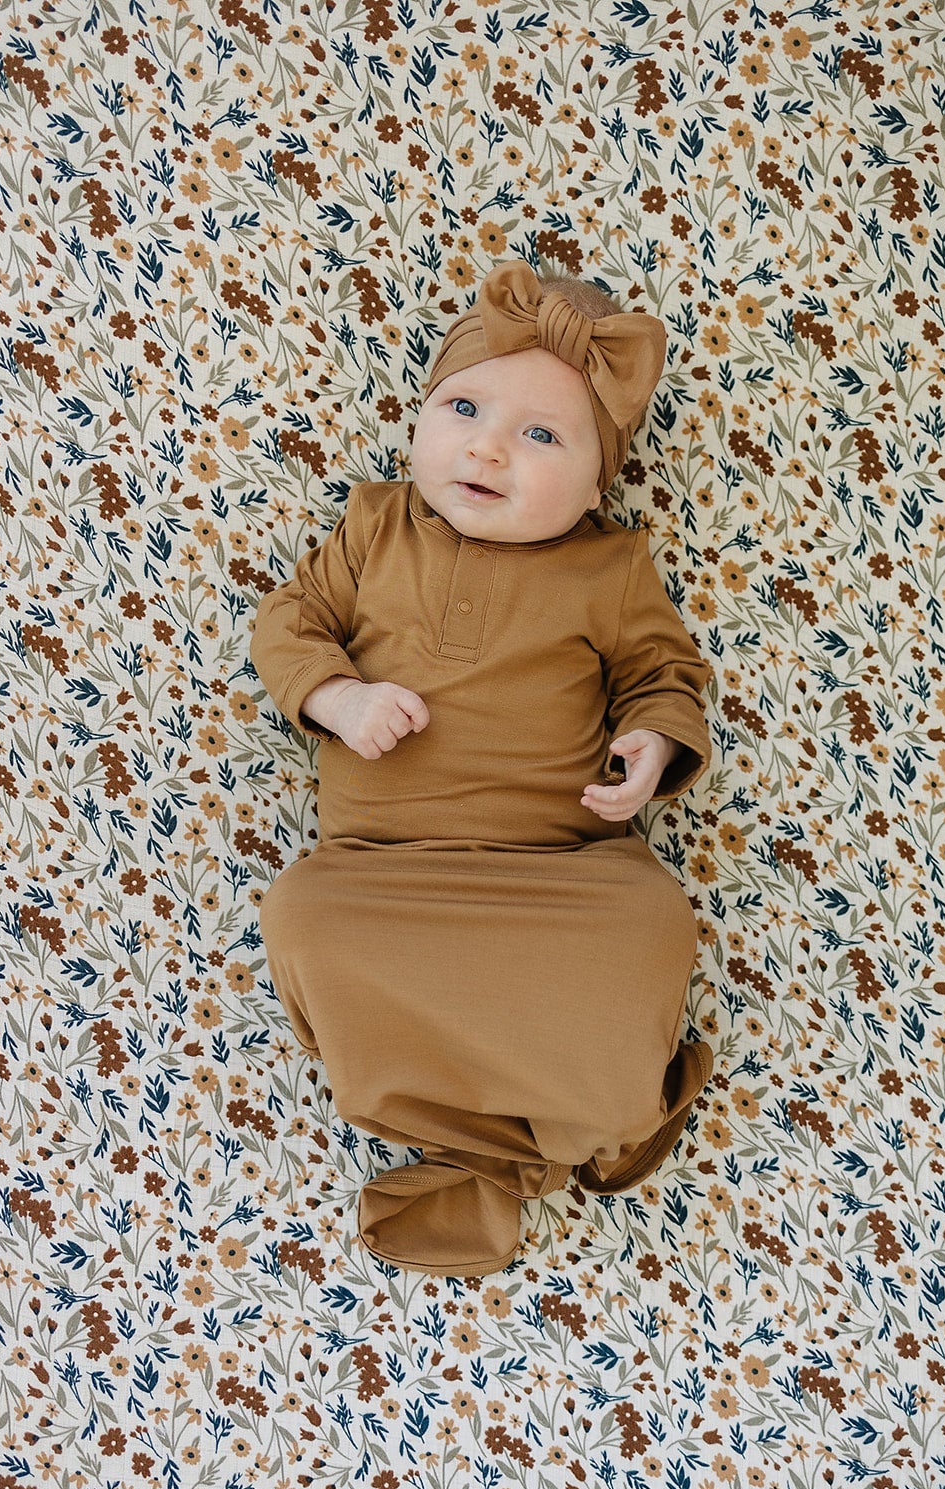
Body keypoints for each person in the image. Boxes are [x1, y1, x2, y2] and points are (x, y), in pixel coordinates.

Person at [250, 260, 713, 1276]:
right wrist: (339, 698)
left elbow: (663, 672)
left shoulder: (609, 567)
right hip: (384, 865)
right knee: (301, 915)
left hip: (560, 867)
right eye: (462, 406)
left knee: (653, 922)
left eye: (542, 435)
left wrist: (651, 744)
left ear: (600, 482)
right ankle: (560, 1129)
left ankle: (547, 1120)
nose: (488, 445)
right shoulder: (374, 527)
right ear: (420, 419)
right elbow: (290, 626)